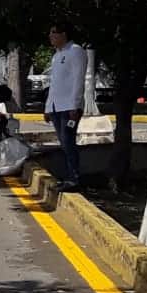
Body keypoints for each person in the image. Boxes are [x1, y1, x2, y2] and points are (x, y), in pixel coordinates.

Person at [45, 21, 88, 191]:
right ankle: (67, 177)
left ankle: (74, 178)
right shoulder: (56, 56)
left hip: (69, 107)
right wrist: (48, 107)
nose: (51, 37)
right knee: (63, 143)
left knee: (69, 142)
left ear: (64, 34)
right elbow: (54, 84)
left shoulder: (76, 51)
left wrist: (75, 105)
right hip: (56, 106)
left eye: (54, 33)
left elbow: (78, 80)